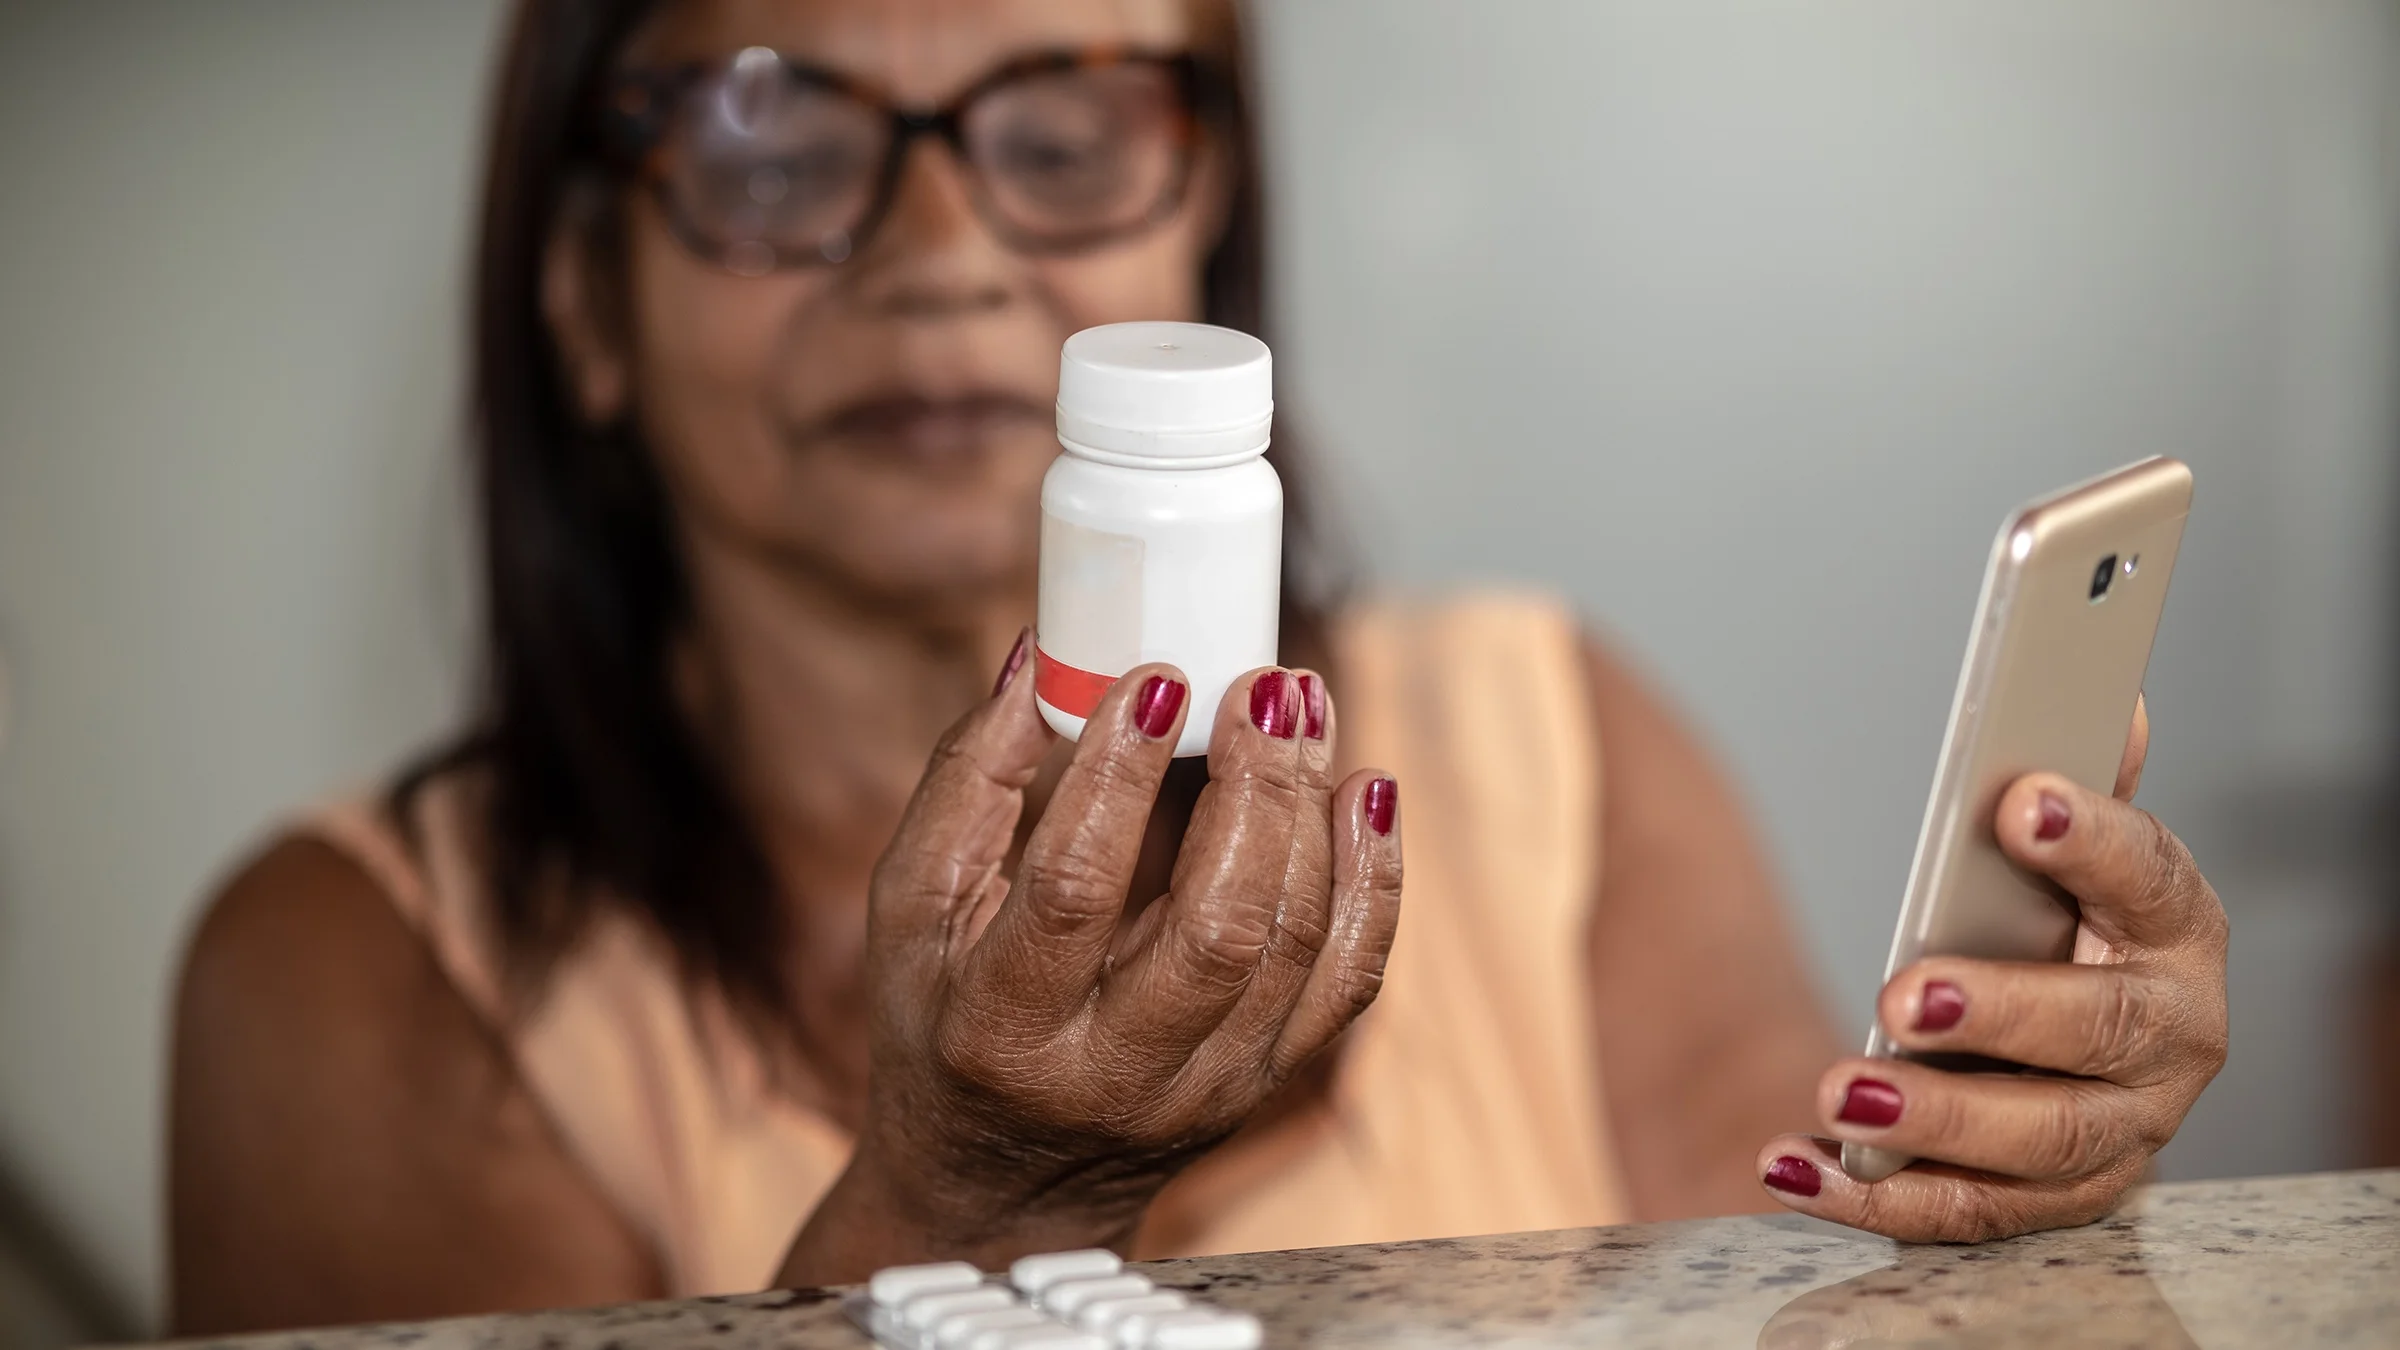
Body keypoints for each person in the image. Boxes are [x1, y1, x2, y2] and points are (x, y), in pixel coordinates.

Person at [165, 0, 2232, 1335]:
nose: (948, 252)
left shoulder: (1553, 744)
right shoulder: (353, 972)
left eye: (1061, 131)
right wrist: (953, 1204)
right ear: (584, 308)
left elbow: (1808, 1297)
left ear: (1201, 239)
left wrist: (2004, 1215)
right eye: (771, 138)